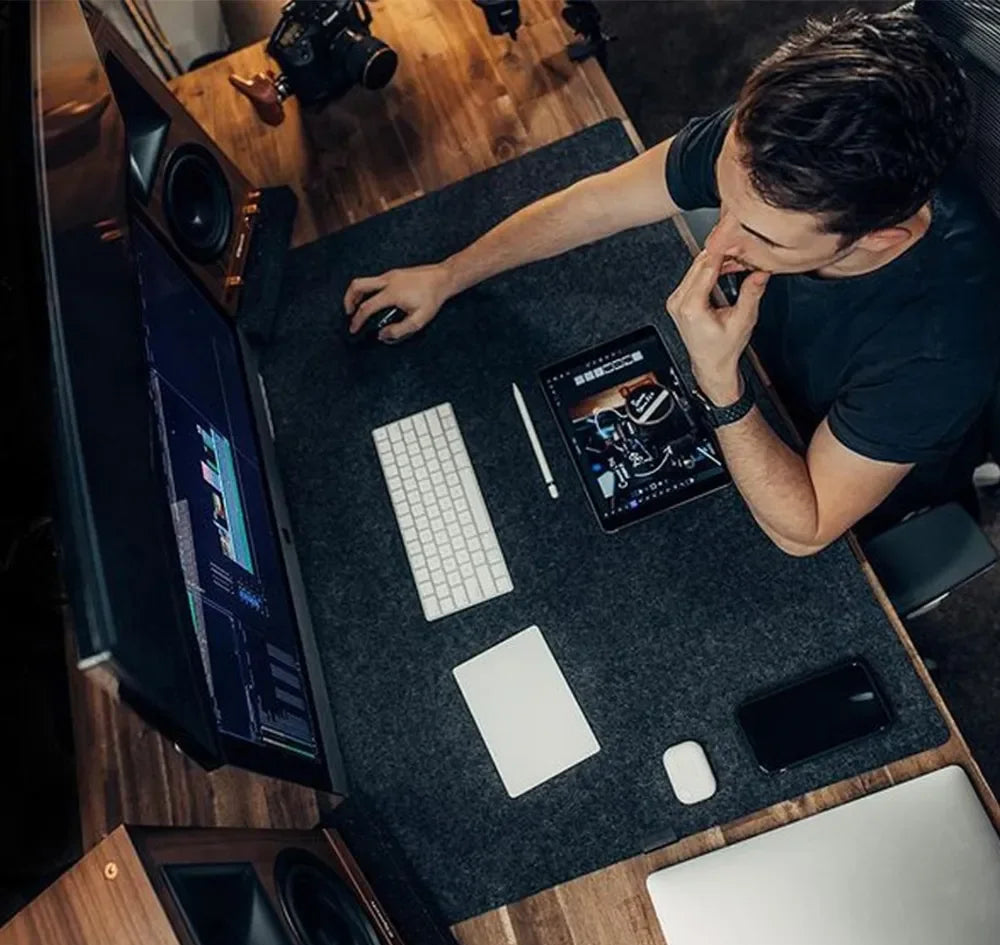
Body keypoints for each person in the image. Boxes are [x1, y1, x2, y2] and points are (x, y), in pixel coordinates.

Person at [344, 8, 1000, 555]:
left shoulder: (943, 345)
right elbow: (598, 202)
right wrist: (448, 274)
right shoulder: (779, 145)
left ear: (885, 236)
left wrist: (720, 384)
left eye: (763, 237)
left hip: (835, 466)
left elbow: (806, 527)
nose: (719, 242)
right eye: (723, 200)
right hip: (751, 373)